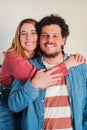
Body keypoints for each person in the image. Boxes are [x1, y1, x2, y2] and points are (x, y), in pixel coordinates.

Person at [8, 14, 87, 130]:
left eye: (55, 36)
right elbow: (13, 106)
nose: (50, 40)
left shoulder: (80, 67)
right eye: (45, 35)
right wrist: (32, 85)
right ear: (39, 39)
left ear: (63, 40)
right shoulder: (26, 67)